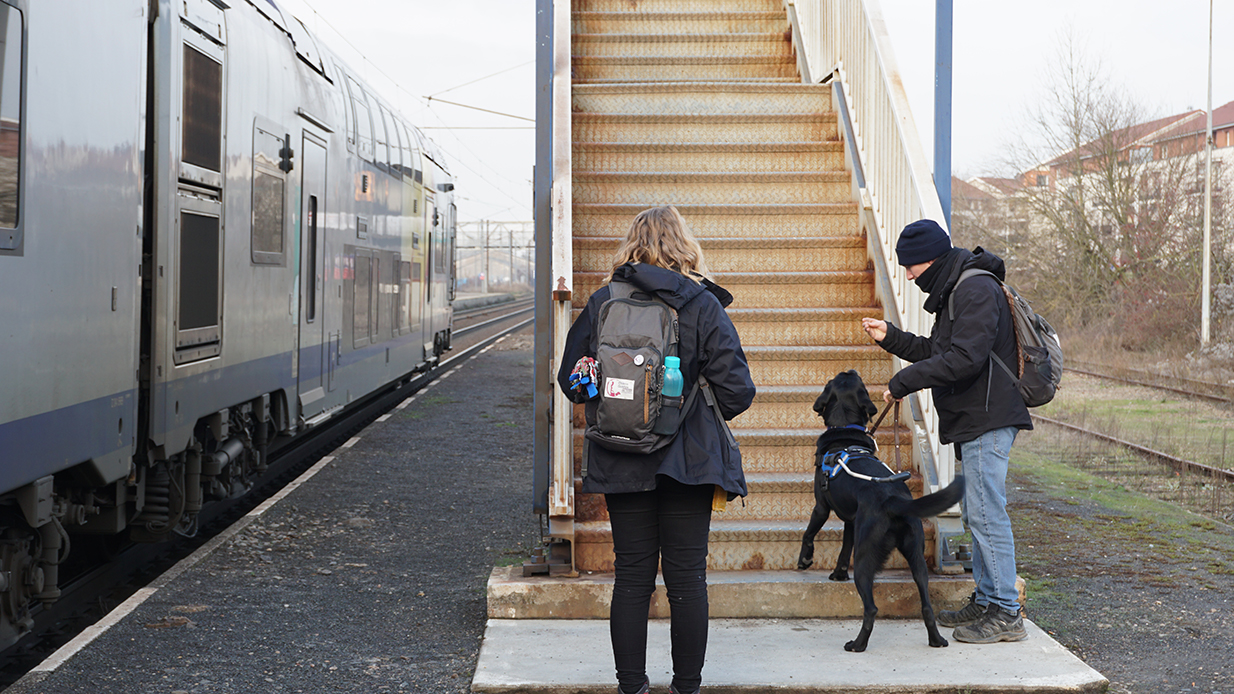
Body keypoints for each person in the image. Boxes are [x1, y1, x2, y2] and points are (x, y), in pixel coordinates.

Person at [557, 206, 755, 694]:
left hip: (620, 454)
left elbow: (572, 383)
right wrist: (691, 410)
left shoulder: (603, 301)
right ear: (683, 245)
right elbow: (739, 391)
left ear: (631, 246)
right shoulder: (702, 303)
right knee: (687, 582)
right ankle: (686, 686)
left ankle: (632, 687)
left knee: (631, 578)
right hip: (688, 462)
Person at [860, 218, 1032, 644]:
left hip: (988, 417)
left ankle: (1007, 613)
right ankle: (989, 598)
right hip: (976, 417)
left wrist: (903, 382)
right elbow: (940, 353)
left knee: (988, 513)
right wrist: (893, 338)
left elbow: (965, 360)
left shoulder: (974, 289)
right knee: (977, 512)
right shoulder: (956, 290)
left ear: (928, 259)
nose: (908, 274)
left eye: (910, 266)